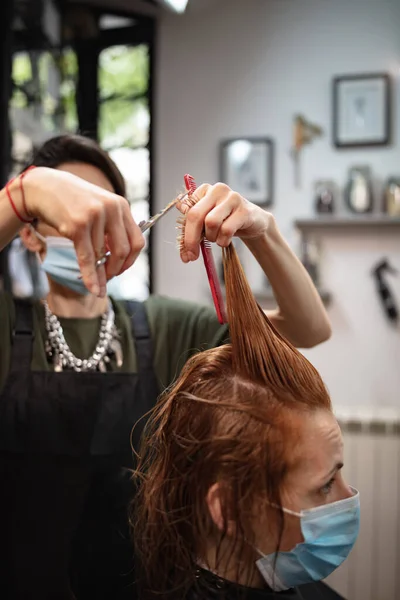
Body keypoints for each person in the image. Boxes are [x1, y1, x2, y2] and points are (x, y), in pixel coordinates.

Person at [0, 134, 331, 600]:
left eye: (102, 215)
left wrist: (263, 230)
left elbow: (308, 329)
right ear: (29, 233)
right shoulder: (8, 329)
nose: (89, 232)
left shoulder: (164, 326)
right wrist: (23, 193)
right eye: (69, 214)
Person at [133, 242, 358, 600]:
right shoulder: (159, 323)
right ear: (229, 507)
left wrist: (262, 230)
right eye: (326, 485)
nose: (350, 497)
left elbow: (310, 327)